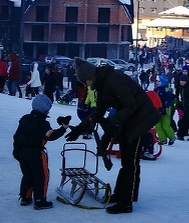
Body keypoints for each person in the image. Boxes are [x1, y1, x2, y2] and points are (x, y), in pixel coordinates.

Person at [65, 58, 161, 214]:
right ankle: (119, 195)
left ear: (91, 77)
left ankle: (127, 202)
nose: (86, 85)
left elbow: (132, 105)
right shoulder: (101, 85)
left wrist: (112, 122)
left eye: (86, 82)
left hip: (141, 120)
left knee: (131, 163)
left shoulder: (114, 80)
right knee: (126, 161)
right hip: (128, 120)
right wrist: (80, 128)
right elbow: (98, 112)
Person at [12, 94, 70, 209]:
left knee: (27, 175)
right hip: (36, 153)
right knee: (41, 176)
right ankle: (40, 201)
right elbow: (50, 135)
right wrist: (63, 128)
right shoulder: (42, 123)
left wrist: (16, 151)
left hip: (22, 151)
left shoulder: (24, 119)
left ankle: (25, 197)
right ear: (45, 109)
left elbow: (17, 136)